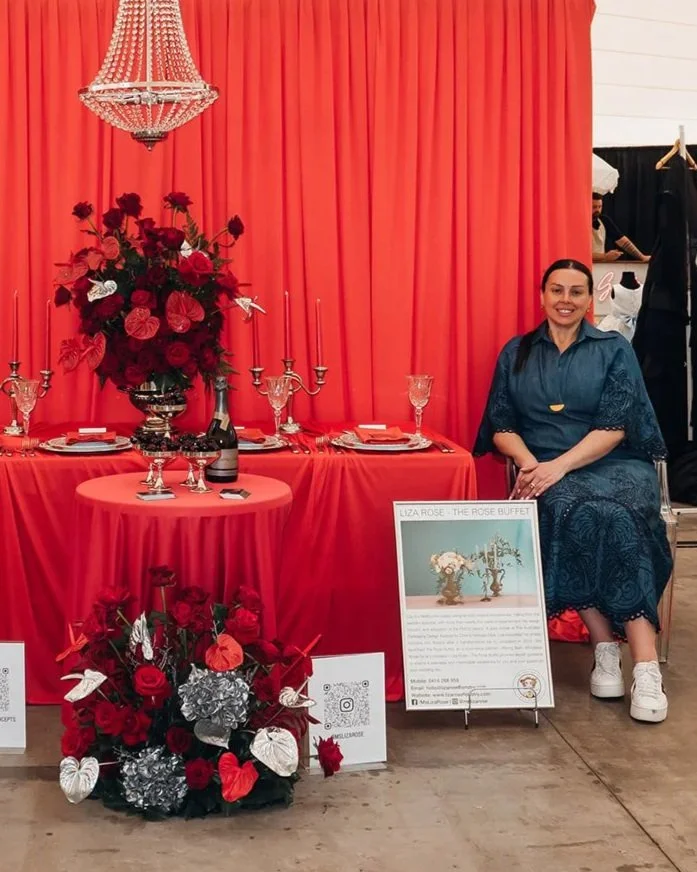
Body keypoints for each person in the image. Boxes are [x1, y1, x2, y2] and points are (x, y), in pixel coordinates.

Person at [474, 258, 673, 723]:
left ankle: (645, 667)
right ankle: (604, 648)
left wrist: (558, 467)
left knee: (619, 515)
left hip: (615, 465)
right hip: (545, 468)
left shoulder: (613, 350)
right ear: (542, 296)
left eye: (576, 292)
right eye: (557, 290)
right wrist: (531, 465)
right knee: (568, 508)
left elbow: (616, 427)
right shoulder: (517, 352)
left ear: (589, 299)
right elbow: (501, 426)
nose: (565, 300)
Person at [592, 193, 650, 263]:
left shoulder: (604, 220)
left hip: (600, 265)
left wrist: (642, 257)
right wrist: (604, 256)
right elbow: (580, 253)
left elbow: (623, 241)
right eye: (594, 207)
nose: (598, 210)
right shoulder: (580, 223)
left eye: (600, 207)